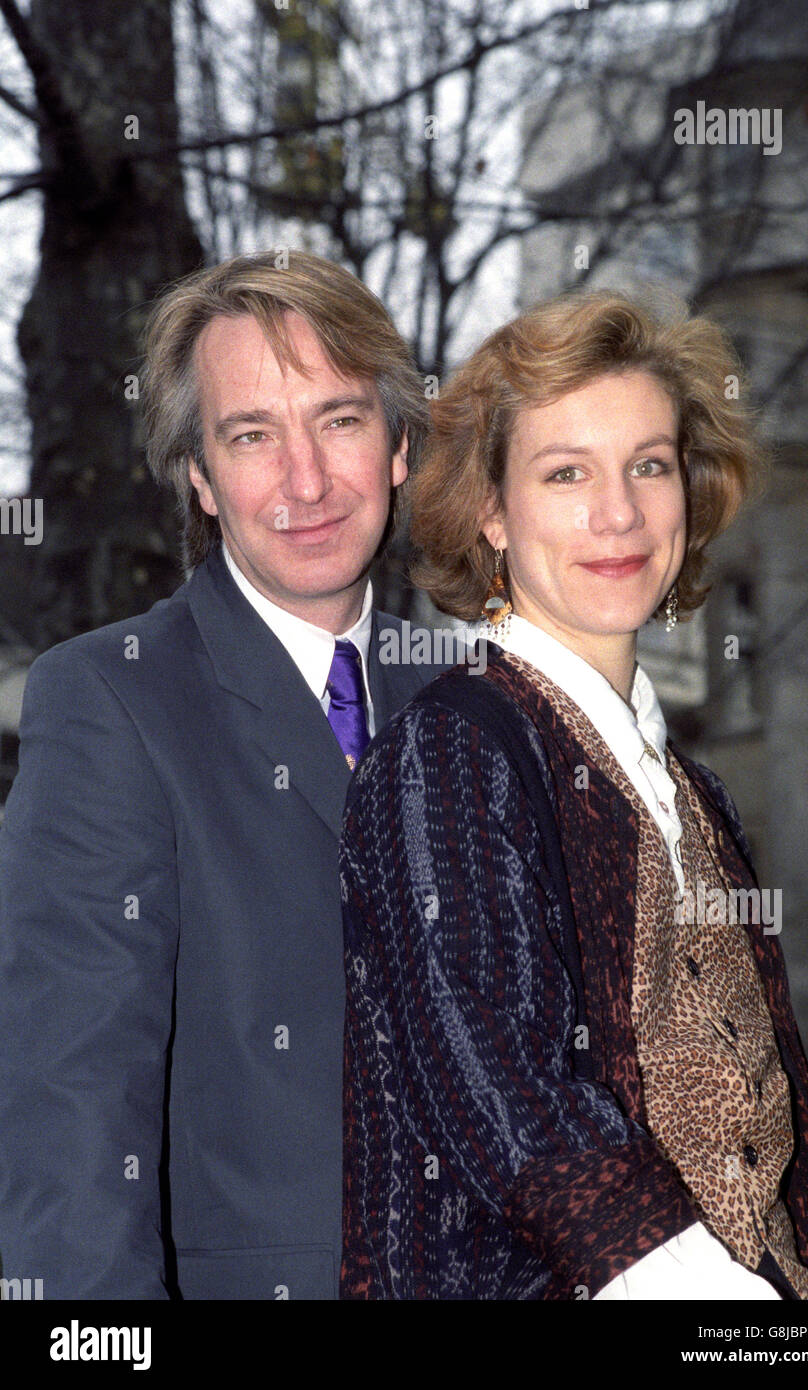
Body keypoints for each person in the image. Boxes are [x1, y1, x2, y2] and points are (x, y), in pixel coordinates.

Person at [339, 289, 808, 1300]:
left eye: (649, 465)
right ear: (490, 509)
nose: (617, 512)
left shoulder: (688, 787)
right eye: (565, 471)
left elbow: (779, 1115)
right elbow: (508, 1106)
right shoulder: (449, 751)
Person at [0, 250, 449, 1299]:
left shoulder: (475, 698)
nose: (304, 481)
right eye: (252, 435)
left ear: (394, 445)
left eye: (338, 420)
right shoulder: (111, 700)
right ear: (200, 477)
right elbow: (66, 1102)